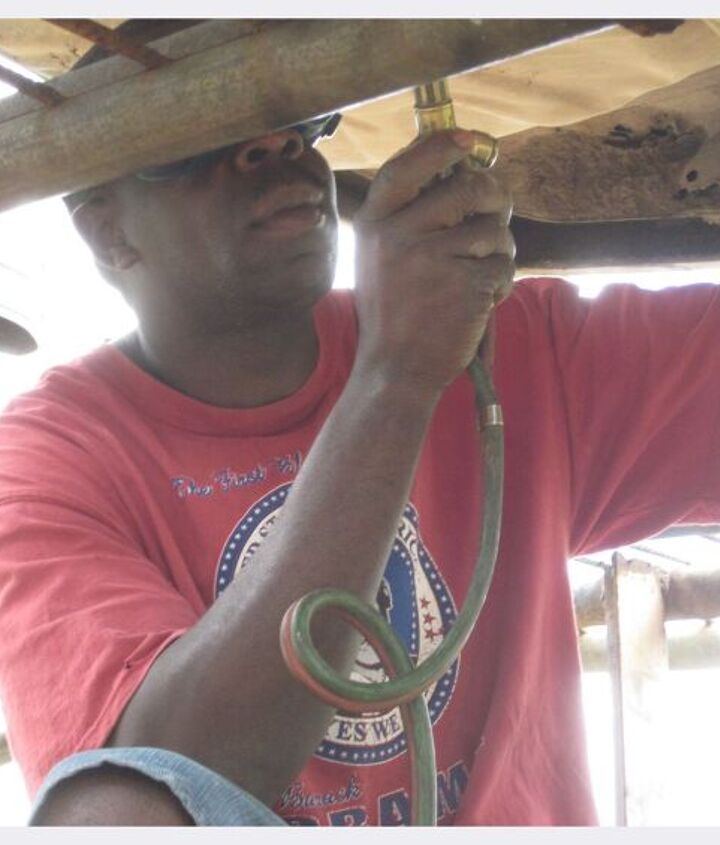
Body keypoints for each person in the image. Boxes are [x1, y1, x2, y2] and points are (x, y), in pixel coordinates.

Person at [0, 29, 719, 829]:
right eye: (200, 128)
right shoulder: (46, 460)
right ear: (107, 231)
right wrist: (397, 377)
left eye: (294, 117)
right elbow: (157, 791)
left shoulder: (498, 346)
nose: (274, 143)